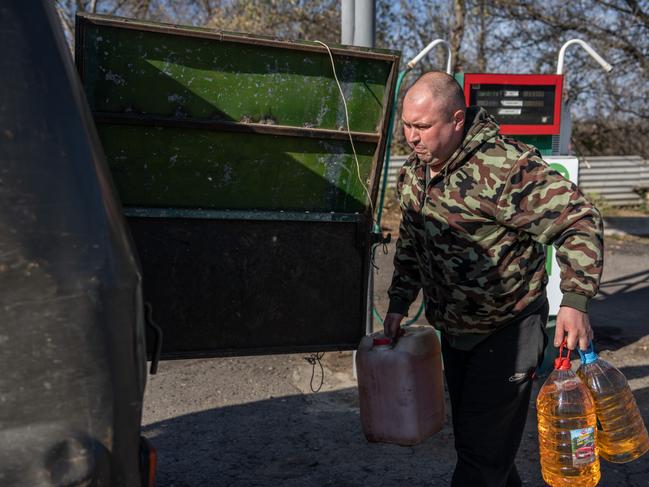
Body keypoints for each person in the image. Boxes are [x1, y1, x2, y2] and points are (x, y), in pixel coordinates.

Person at [384, 71, 603, 487]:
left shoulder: (506, 169)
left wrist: (575, 301)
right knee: (480, 444)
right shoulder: (415, 173)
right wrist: (399, 303)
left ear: (457, 119)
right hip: (455, 329)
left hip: (509, 330)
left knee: (481, 458)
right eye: (407, 126)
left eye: (424, 127)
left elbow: (579, 220)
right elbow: (412, 243)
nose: (412, 137)